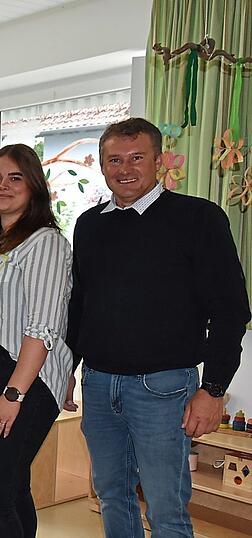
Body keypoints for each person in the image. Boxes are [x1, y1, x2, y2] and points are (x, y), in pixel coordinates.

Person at [67, 118, 250, 538]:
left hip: (164, 389)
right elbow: (80, 306)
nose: (125, 168)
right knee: (111, 493)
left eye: (136, 158)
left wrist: (214, 389)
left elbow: (230, 310)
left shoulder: (198, 218)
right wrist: (66, 372)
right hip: (98, 384)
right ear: (101, 163)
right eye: (114, 159)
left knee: (166, 507)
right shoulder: (90, 225)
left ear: (158, 161)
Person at [0, 144, 72, 538]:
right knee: (13, 487)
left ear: (34, 187)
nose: (3, 185)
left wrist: (13, 396)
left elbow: (42, 327)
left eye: (16, 177)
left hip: (24, 375)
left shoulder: (44, 242)